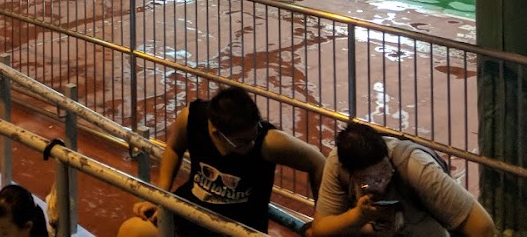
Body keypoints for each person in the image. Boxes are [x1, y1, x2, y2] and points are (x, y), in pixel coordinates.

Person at [118, 86, 325, 237]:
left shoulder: (270, 142)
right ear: (217, 134)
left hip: (237, 228)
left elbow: (318, 162)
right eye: (243, 142)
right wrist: (161, 197)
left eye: (254, 136)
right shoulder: (191, 119)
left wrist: (320, 221)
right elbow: (174, 148)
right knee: (131, 230)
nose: (251, 145)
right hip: (188, 216)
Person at [310, 121, 495, 237]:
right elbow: (320, 229)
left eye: (384, 174)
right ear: (350, 174)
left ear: (387, 157)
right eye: (367, 181)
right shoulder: (336, 164)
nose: (379, 186)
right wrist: (356, 217)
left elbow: (483, 227)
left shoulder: (417, 167)